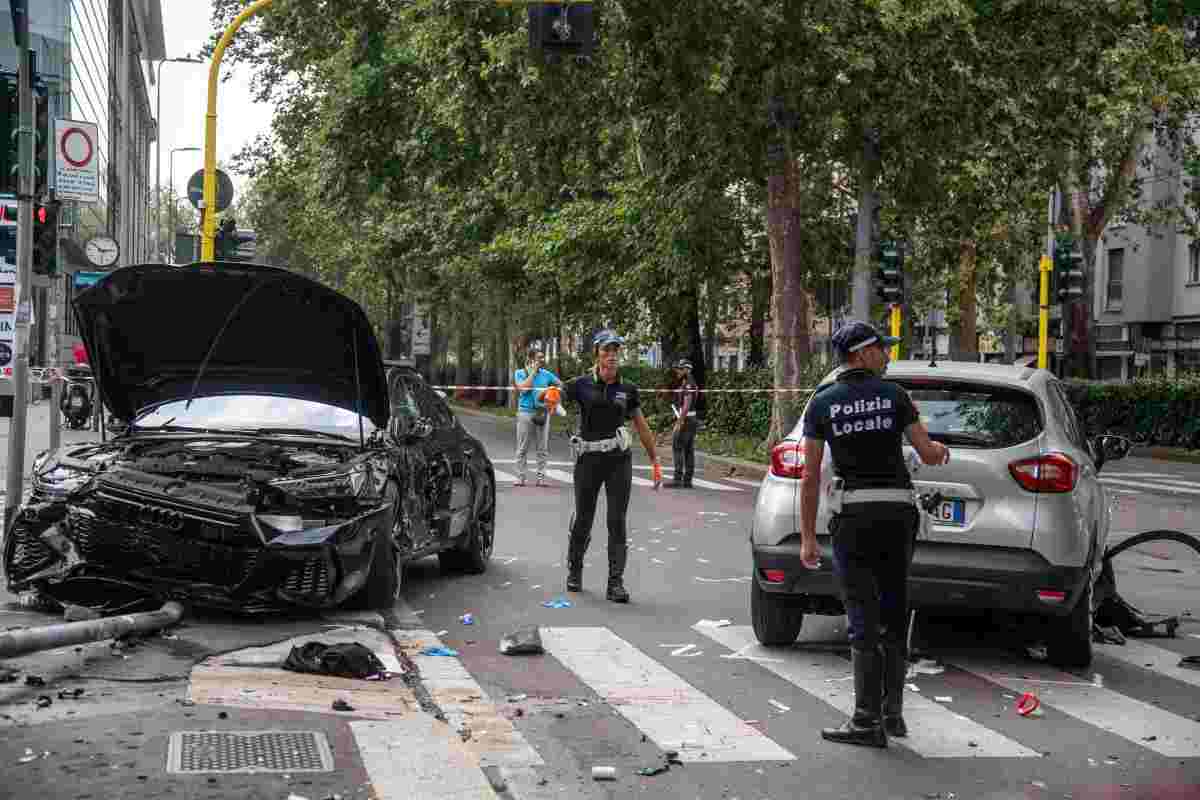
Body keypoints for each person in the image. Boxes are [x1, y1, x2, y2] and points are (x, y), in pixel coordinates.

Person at [799, 320, 949, 748]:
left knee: (861, 618)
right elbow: (925, 451)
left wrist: (808, 537)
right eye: (882, 349)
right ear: (861, 354)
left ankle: (866, 721)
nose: (887, 355)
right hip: (897, 516)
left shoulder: (823, 402)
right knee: (894, 610)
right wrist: (941, 452)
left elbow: (811, 476)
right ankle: (893, 714)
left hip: (854, 519)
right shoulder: (896, 396)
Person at [562, 329, 662, 602]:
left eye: (615, 351)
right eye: (606, 351)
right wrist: (547, 398)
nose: (611, 356)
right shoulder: (581, 384)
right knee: (584, 518)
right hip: (588, 460)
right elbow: (554, 396)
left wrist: (655, 460)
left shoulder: (627, 389)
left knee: (616, 521)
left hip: (618, 460)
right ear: (597, 354)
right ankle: (575, 570)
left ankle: (615, 583)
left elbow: (640, 424)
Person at [512, 348, 563, 487]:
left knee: (542, 448)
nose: (542, 360)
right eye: (539, 358)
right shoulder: (520, 373)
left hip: (543, 412)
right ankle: (521, 477)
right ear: (530, 359)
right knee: (522, 447)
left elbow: (561, 385)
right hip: (525, 413)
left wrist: (552, 394)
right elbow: (523, 389)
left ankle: (541, 478)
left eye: (542, 357)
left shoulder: (546, 374)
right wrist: (533, 372)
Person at [666, 358, 699, 489]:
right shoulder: (689, 382)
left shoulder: (688, 384)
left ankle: (677, 479)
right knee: (689, 450)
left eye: (680, 369)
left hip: (686, 420)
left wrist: (679, 422)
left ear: (687, 370)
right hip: (691, 420)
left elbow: (686, 405)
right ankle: (687, 480)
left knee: (677, 447)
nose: (677, 371)